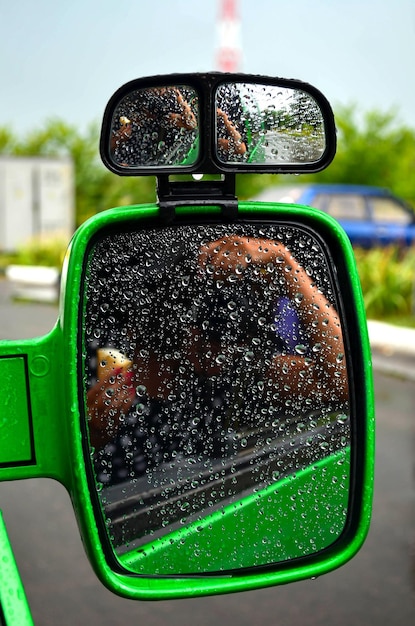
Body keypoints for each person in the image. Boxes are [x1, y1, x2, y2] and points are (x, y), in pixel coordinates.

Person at [86, 231, 348, 485]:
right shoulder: (106, 369)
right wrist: (94, 436)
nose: (222, 354)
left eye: (237, 332)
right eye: (210, 326)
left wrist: (283, 260)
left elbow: (345, 381)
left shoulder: (239, 378)